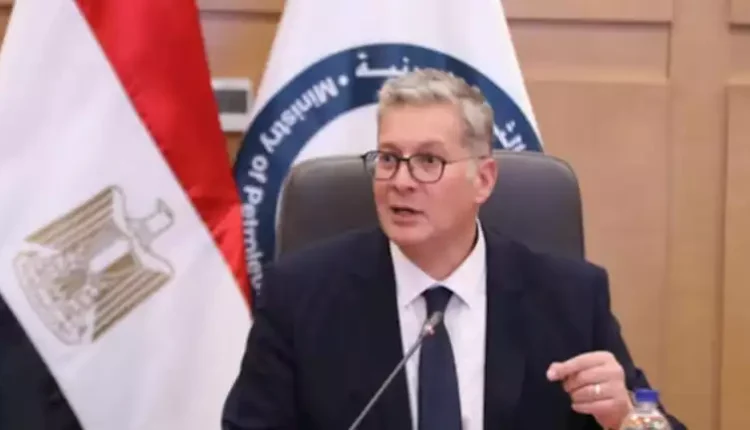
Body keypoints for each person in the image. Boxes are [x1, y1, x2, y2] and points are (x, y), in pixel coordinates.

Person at [222, 69, 686, 430]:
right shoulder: (301, 298)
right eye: (389, 158)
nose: (401, 181)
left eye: (428, 160)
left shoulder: (569, 300)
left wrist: (623, 417)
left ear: (482, 179)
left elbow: (652, 420)